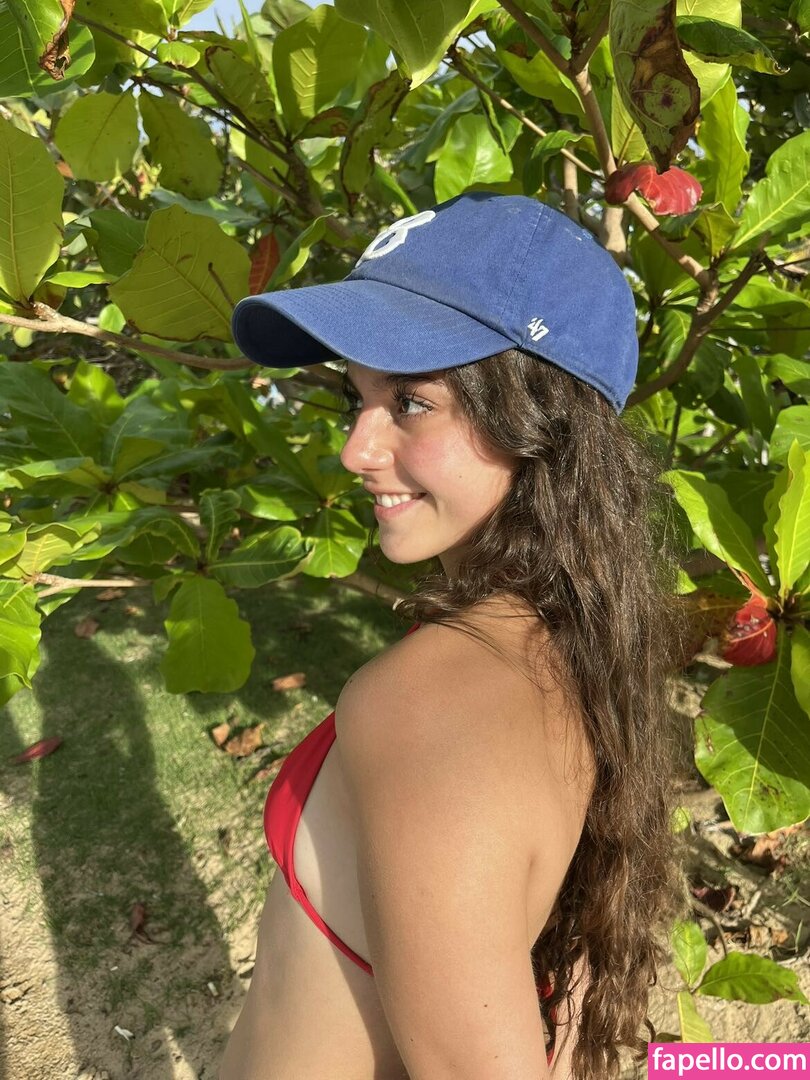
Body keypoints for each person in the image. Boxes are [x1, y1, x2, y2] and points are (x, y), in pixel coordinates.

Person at [220, 193, 685, 1079]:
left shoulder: (430, 700)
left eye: (410, 401)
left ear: (539, 423)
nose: (355, 450)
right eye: (359, 396)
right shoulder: (575, 651)